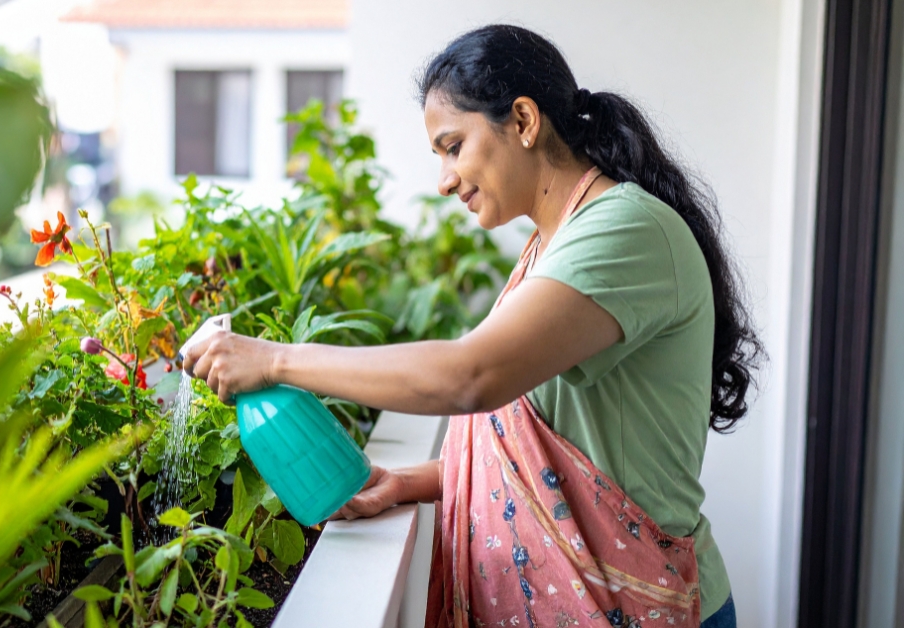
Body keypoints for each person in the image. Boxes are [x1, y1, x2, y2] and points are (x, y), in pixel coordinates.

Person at [183, 24, 759, 628]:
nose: (445, 179)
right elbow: (546, 451)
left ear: (524, 121)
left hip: (637, 608)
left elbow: (471, 374)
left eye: (453, 146)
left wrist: (274, 360)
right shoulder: (554, 243)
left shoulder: (624, 231)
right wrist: (408, 482)